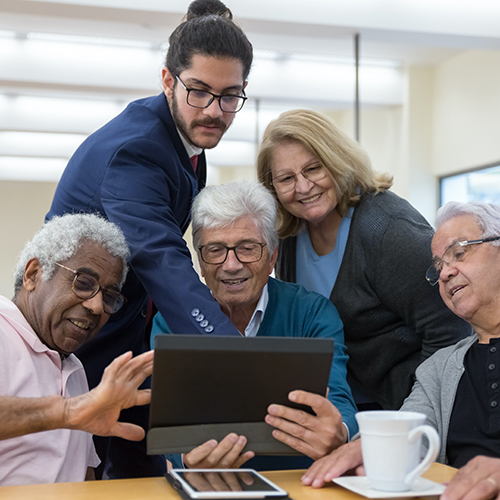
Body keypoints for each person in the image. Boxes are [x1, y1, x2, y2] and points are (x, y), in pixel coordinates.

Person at [46, 0, 253, 479]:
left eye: (230, 97)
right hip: (80, 341)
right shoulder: (137, 149)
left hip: (127, 338)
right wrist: (235, 354)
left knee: (146, 469)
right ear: (168, 80)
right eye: (199, 91)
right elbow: (159, 255)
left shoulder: (183, 138)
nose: (214, 111)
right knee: (83, 476)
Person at [256, 109, 472, 411]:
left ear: (337, 161)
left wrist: (413, 410)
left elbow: (453, 332)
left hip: (401, 410)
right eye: (286, 178)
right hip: (339, 407)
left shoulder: (388, 231)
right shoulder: (289, 233)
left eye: (314, 169)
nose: (303, 187)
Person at [152, 181, 358, 471]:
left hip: (299, 483)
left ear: (272, 256)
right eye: (215, 250)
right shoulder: (172, 320)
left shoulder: (312, 313)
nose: (231, 264)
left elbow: (340, 402)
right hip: (210, 488)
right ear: (199, 260)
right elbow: (163, 420)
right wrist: (184, 458)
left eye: (247, 248)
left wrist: (340, 433)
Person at [301, 201, 500, 500]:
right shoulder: (439, 369)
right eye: (438, 267)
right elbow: (408, 436)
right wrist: (354, 444)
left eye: (458, 252)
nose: (445, 273)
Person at [0, 213, 154, 486]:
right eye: (83, 283)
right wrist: (67, 412)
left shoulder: (74, 369)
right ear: (33, 274)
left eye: (109, 297)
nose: (96, 307)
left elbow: (83, 478)